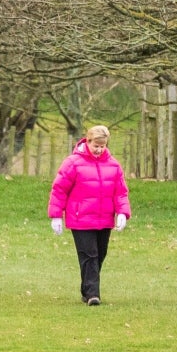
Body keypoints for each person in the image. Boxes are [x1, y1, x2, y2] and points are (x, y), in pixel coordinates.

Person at [47, 123, 131, 304]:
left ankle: (87, 289)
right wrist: (56, 215)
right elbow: (59, 189)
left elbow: (120, 192)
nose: (99, 150)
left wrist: (123, 212)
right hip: (80, 218)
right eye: (96, 146)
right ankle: (93, 295)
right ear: (88, 141)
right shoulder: (72, 163)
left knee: (100, 254)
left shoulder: (114, 165)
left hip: (104, 219)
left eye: (103, 146)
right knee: (89, 255)